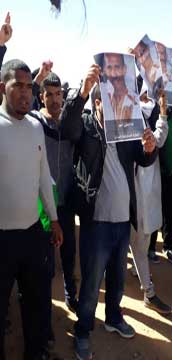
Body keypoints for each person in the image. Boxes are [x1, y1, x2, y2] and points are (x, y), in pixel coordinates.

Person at [62, 68, 158, 359]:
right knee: (92, 283)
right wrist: (81, 93)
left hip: (121, 220)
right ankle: (82, 330)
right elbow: (68, 129)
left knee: (117, 278)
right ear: (97, 102)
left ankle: (114, 318)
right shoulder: (87, 127)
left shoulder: (127, 129)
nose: (110, 103)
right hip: (96, 221)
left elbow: (143, 158)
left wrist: (150, 147)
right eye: (103, 98)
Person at [1, 59, 63, 360]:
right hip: (1, 240)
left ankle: (36, 353)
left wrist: (54, 220)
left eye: (29, 87)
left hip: (32, 233)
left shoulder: (36, 128)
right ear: (3, 88)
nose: (26, 93)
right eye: (18, 87)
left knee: (37, 304)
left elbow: (42, 177)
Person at [28, 70, 82, 316]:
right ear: (41, 96)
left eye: (58, 94)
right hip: (42, 203)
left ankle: (71, 292)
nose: (55, 99)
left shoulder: (69, 124)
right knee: (45, 259)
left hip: (66, 199)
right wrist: (37, 75)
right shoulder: (35, 122)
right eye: (49, 94)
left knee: (69, 252)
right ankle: (43, 308)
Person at [129, 83, 172, 315]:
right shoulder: (123, 124)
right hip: (132, 197)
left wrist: (163, 111)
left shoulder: (143, 119)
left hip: (149, 192)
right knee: (138, 241)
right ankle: (149, 291)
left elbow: (159, 139)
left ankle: (139, 271)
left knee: (142, 241)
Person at [149, 65, 172, 264]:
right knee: (155, 211)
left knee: (170, 212)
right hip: (156, 172)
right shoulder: (154, 118)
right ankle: (151, 248)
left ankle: (168, 245)